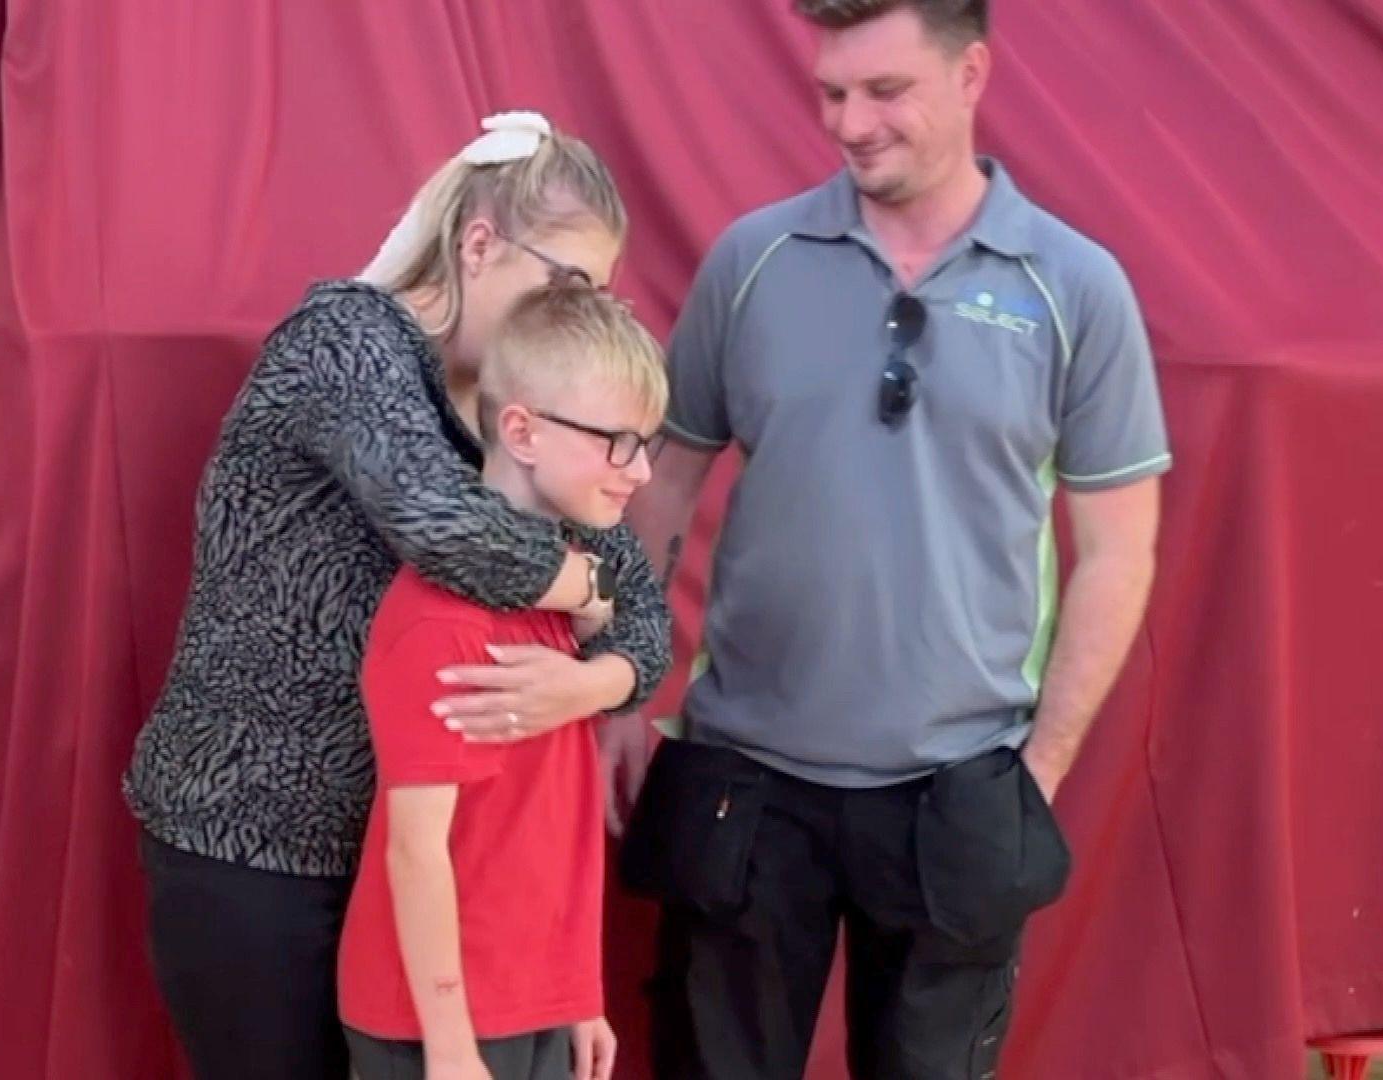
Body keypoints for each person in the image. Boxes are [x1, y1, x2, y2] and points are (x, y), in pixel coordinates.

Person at [613, 2, 1172, 1077]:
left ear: (972, 74)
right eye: (832, 92)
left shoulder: (1074, 288)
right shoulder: (754, 259)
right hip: (746, 782)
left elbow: (1118, 552)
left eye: (885, 91)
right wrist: (630, 694)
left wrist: (1037, 769)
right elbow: (658, 488)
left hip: (958, 791)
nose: (850, 123)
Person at [122, 112, 672, 1080]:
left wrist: (593, 682)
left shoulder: (528, 414)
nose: (576, 318)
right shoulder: (346, 340)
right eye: (566, 284)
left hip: (408, 874)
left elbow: (648, 616)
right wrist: (588, 590)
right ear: (479, 244)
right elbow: (445, 528)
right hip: (251, 842)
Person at [338, 286, 666, 1080]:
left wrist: (575, 993)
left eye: (647, 442)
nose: (642, 470)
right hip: (439, 1021)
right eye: (618, 441)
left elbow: (544, 825)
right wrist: (449, 1046)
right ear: (520, 431)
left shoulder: (563, 601)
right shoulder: (441, 622)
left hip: (531, 997)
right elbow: (418, 851)